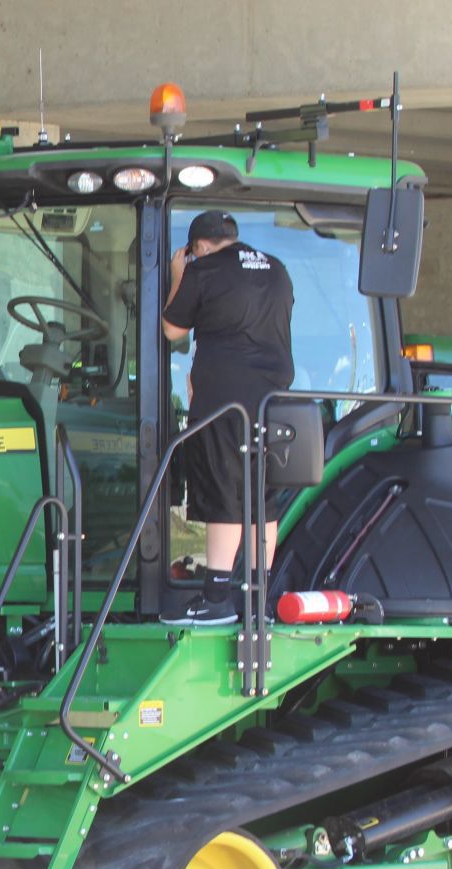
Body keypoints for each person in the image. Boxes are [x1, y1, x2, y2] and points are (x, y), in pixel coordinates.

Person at [161, 210, 295, 625]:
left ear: (198, 245)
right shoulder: (277, 270)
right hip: (273, 400)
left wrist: (177, 274)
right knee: (262, 499)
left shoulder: (203, 271)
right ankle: (259, 597)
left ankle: (216, 597)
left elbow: (171, 330)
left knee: (225, 494)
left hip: (223, 400)